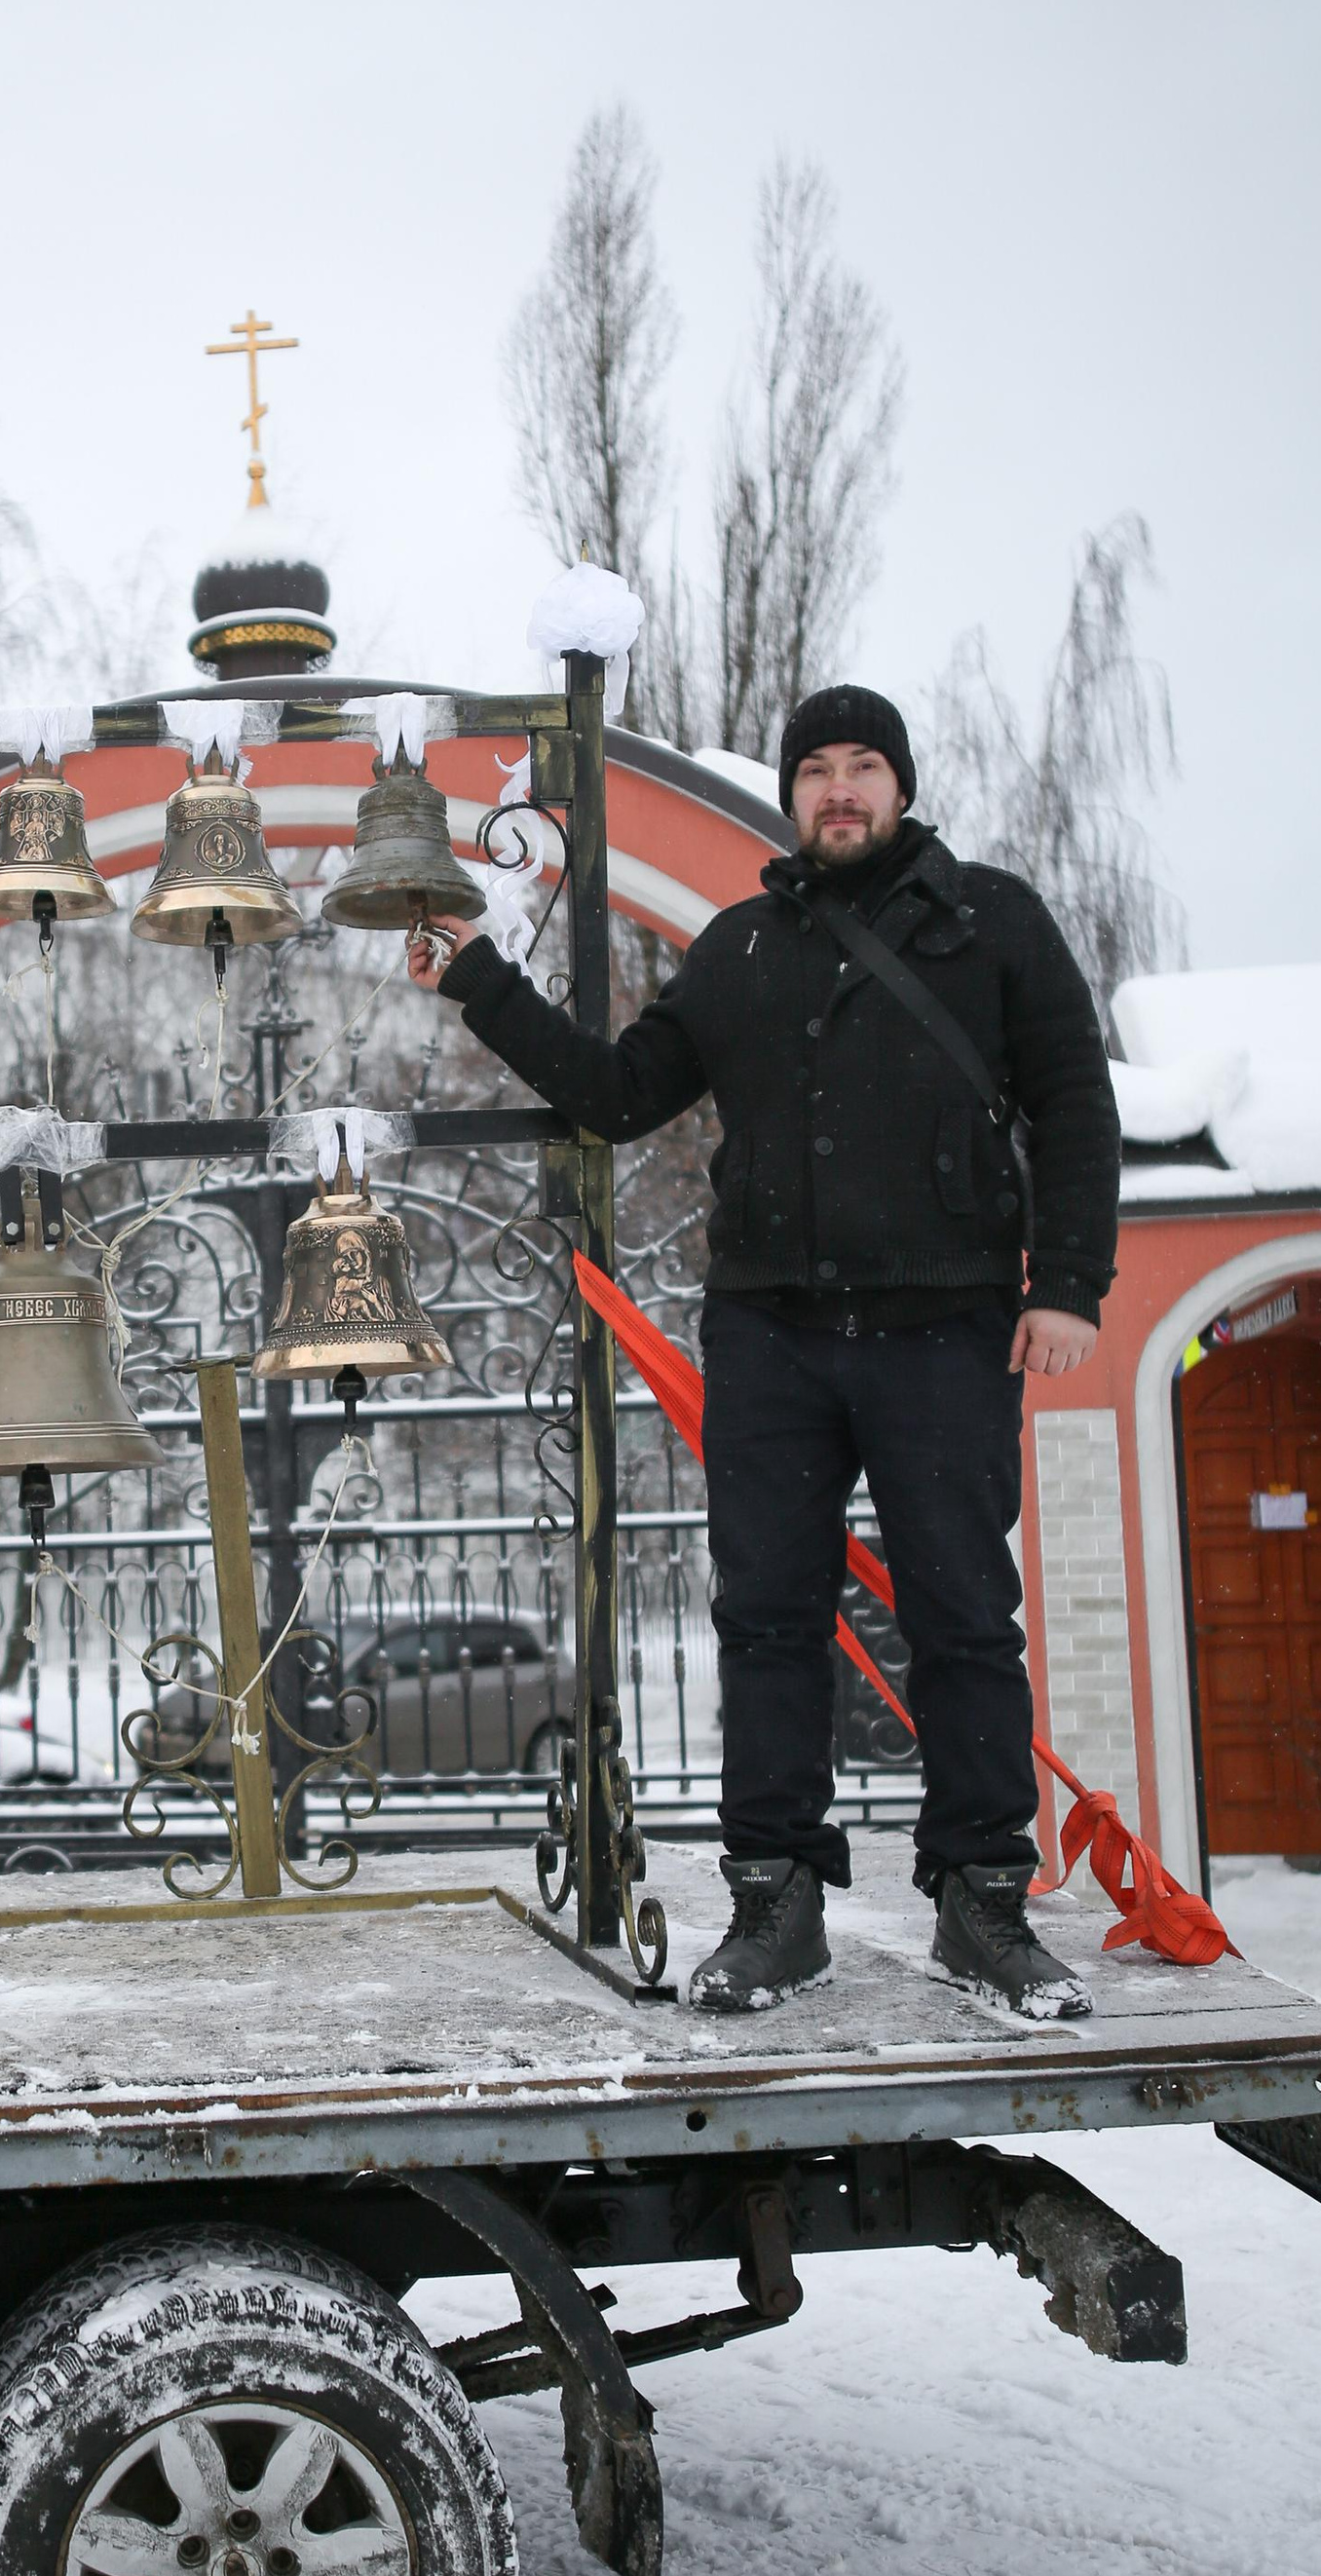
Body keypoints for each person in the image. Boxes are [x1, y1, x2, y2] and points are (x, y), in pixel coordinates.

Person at [408, 686, 1120, 2022]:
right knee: (769, 1624)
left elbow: (1077, 1103)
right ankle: (777, 1903)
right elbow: (620, 1095)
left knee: (963, 1619)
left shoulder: (992, 924)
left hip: (946, 1325)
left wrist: (1069, 1285)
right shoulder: (738, 948)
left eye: (864, 767)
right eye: (818, 771)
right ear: (792, 794)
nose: (839, 790)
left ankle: (983, 1903)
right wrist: (482, 981)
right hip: (773, 1335)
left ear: (900, 787)